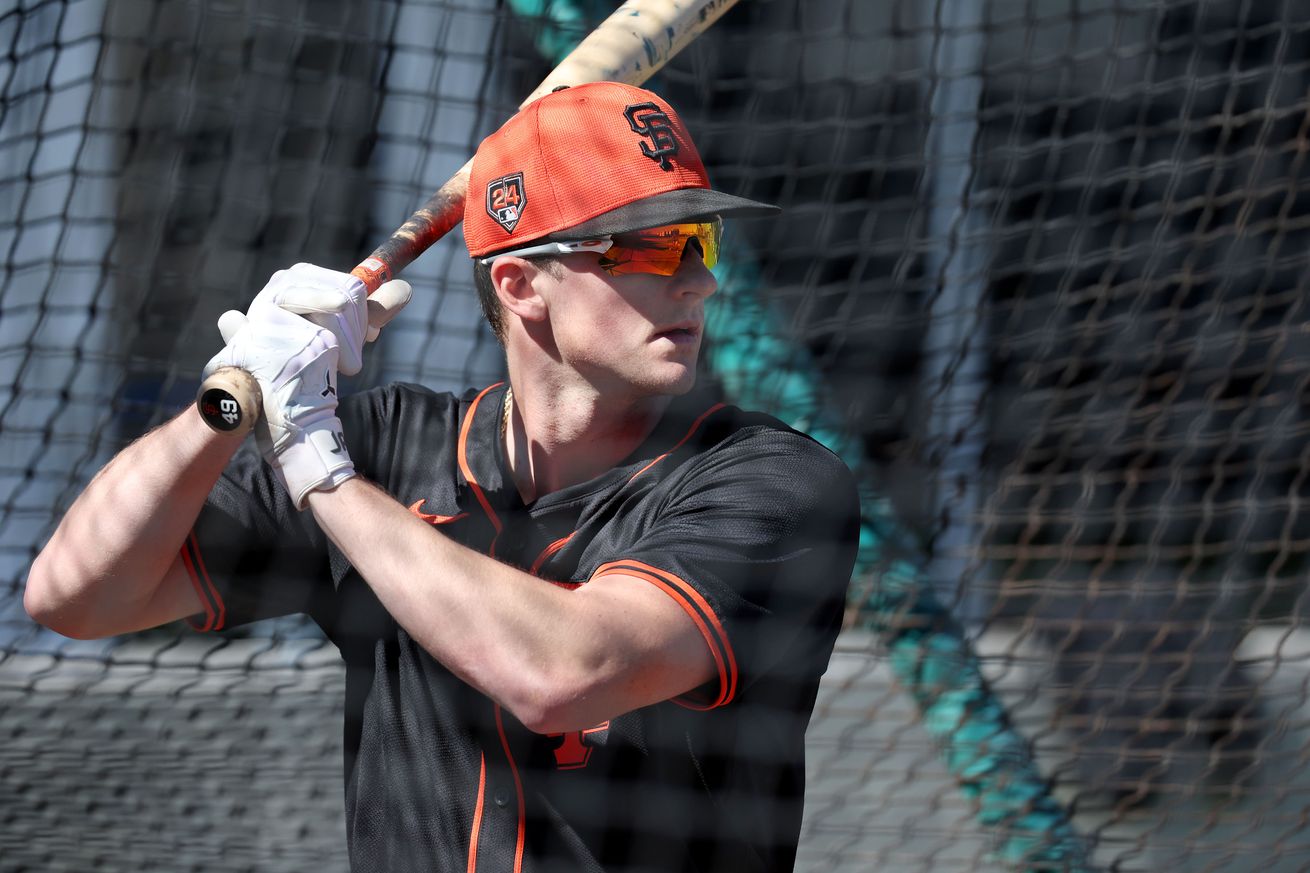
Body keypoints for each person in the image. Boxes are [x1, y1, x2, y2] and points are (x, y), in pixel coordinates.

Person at [25, 82, 860, 873]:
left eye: (700, 239)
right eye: (645, 245)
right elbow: (75, 595)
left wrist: (319, 466)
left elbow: (565, 673)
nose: (699, 278)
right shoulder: (389, 445)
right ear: (520, 282)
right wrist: (230, 399)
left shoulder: (771, 482)